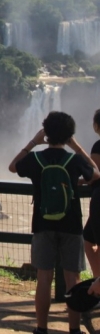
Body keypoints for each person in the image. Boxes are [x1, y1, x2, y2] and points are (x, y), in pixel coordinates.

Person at [9, 111, 100, 334]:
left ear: (46, 133)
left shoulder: (36, 159)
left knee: (44, 279)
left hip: (42, 224)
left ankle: (41, 328)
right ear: (69, 135)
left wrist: (33, 142)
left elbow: (12, 166)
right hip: (71, 225)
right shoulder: (74, 160)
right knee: (73, 279)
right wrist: (77, 147)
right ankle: (73, 329)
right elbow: (96, 173)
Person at [83, 109, 100, 276]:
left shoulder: (98, 146)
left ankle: (98, 281)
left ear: (96, 126)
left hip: (99, 198)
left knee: (89, 241)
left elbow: (94, 175)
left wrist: (78, 180)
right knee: (89, 238)